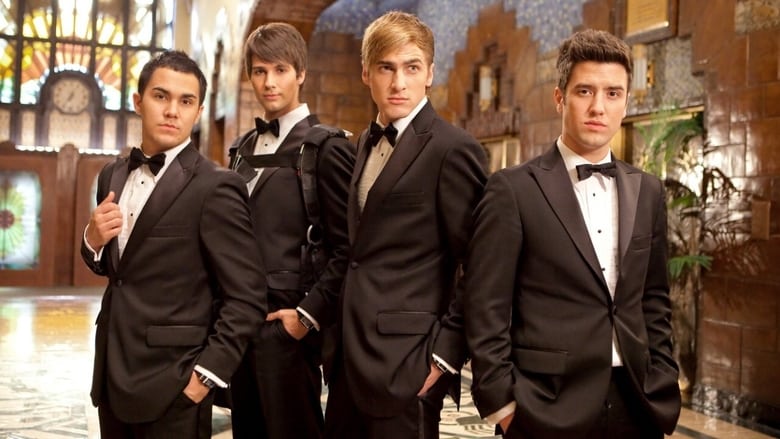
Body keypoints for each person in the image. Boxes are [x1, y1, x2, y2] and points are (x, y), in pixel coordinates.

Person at [464, 28, 681, 438]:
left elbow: (653, 298)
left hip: (636, 401)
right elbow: (486, 305)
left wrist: (663, 377)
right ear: (560, 98)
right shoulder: (513, 189)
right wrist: (502, 404)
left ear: (626, 102)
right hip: (544, 404)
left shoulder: (648, 190)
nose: (599, 106)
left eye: (613, 93)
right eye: (585, 91)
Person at [81, 50, 267, 439]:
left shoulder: (216, 187)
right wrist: (91, 240)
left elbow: (247, 298)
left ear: (198, 112)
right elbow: (120, 273)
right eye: (161, 96)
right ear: (138, 101)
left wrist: (204, 378)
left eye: (185, 101)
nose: (172, 111)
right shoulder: (112, 174)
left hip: (175, 384)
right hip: (111, 375)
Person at [323, 10, 488, 439]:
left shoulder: (454, 150)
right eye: (386, 68)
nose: (399, 83)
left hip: (408, 364)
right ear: (366, 73)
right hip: (348, 361)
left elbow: (482, 264)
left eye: (412, 68)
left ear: (430, 73)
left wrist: (445, 354)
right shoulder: (363, 143)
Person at [226, 22, 355, 439]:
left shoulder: (328, 148)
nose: (269, 82)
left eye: (280, 70)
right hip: (239, 320)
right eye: (260, 71)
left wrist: (306, 317)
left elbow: (350, 249)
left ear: (300, 74)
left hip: (289, 325)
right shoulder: (241, 148)